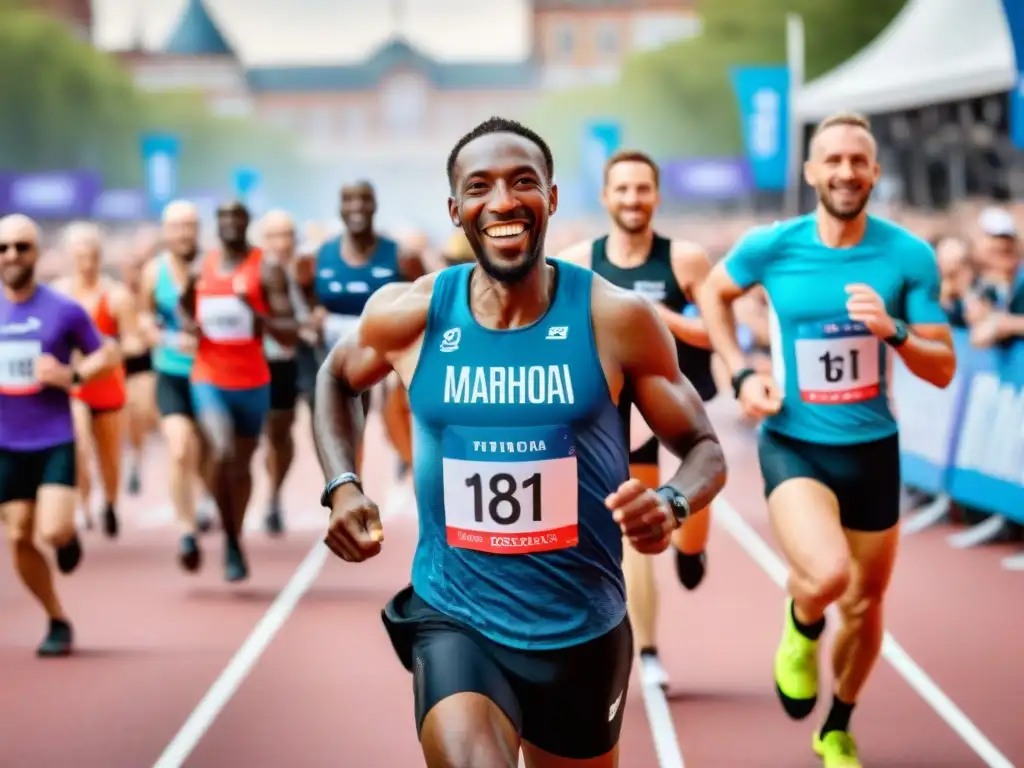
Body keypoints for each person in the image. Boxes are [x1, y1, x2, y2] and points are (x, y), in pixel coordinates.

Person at [314, 116, 727, 768]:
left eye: (522, 182)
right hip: (456, 618)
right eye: (480, 187)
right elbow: (337, 375)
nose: (502, 201)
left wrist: (672, 503)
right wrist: (342, 486)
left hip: (582, 628)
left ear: (553, 199)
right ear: (457, 210)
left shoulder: (616, 318)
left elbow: (704, 445)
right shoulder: (415, 314)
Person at [697, 111, 956, 768]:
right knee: (830, 576)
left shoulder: (907, 255)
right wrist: (741, 371)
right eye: (832, 160)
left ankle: (837, 725)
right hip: (795, 441)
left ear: (874, 172)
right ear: (812, 172)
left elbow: (944, 365)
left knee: (868, 602)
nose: (845, 171)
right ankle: (802, 621)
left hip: (873, 448)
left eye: (857, 161)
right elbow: (713, 292)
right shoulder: (772, 245)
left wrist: (894, 330)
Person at [555, 149, 716, 689]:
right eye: (622, 189)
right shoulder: (580, 259)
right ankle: (647, 650)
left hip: (683, 404)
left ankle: (693, 550)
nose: (632, 199)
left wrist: (649, 317)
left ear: (656, 195)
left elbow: (714, 334)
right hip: (625, 409)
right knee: (635, 521)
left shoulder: (686, 260)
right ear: (605, 197)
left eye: (642, 189)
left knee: (689, 535)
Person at [0, 214, 120, 655]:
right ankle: (55, 617)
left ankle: (68, 537)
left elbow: (108, 353)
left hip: (52, 437)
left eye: (21, 247)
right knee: (17, 536)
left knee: (51, 531)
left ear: (36, 253)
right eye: (4, 248)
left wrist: (71, 375)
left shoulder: (62, 309)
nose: (12, 255)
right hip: (4, 444)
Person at [179, 201, 298, 582]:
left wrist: (256, 313)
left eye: (237, 217)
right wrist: (192, 328)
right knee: (222, 450)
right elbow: (184, 306)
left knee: (242, 467)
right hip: (209, 377)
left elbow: (289, 332)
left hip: (253, 381)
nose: (230, 222)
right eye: (223, 216)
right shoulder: (202, 267)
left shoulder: (266, 268)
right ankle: (226, 531)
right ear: (217, 224)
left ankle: (234, 537)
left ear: (247, 223)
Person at [306, 181, 425, 477]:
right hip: (331, 356)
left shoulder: (401, 256)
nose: (357, 207)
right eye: (349, 200)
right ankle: (345, 483)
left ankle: (393, 464)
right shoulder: (320, 256)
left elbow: (428, 298)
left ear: (374, 206)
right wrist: (312, 315)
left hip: (382, 357)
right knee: (337, 421)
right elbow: (301, 296)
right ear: (340, 208)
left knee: (375, 417)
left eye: (364, 200)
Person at [53, 222, 138, 539]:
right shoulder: (59, 294)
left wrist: (115, 349)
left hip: (108, 386)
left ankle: (111, 504)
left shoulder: (116, 295)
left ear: (100, 257)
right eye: (80, 256)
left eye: (92, 256)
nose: (86, 263)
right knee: (78, 446)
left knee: (109, 458)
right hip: (74, 387)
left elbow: (132, 341)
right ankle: (82, 504)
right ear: (70, 257)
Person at [139, 200, 207, 571]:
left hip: (212, 375)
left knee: (213, 454)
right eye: (177, 226)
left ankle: (210, 500)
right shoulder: (154, 272)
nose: (183, 233)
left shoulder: (213, 269)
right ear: (166, 231)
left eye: (190, 225)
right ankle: (187, 531)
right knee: (180, 447)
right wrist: (160, 337)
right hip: (172, 372)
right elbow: (143, 317)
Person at [259, 209, 310, 534]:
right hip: (255, 359)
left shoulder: (306, 271)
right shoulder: (255, 271)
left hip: (291, 361)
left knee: (280, 432)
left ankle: (273, 496)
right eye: (274, 235)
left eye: (287, 235)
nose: (281, 242)